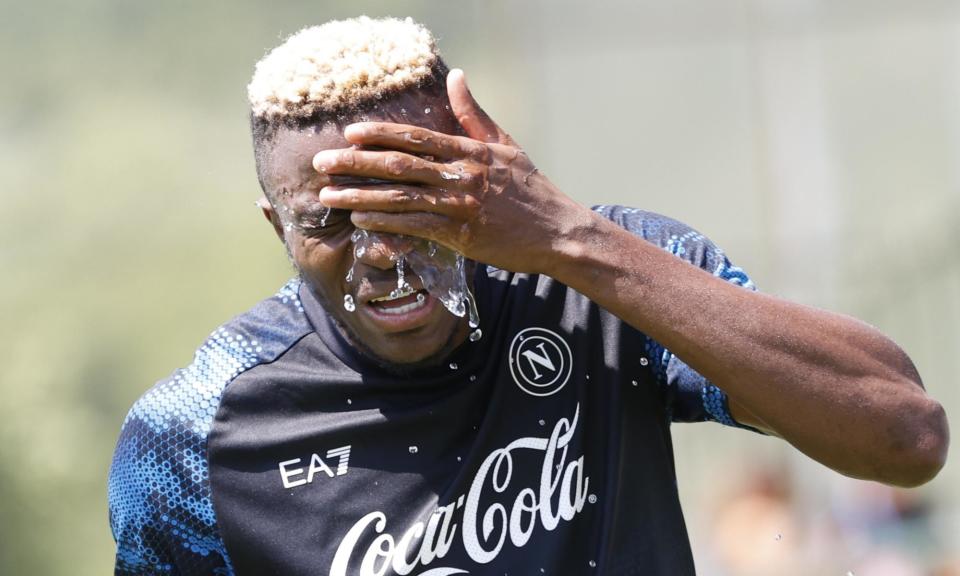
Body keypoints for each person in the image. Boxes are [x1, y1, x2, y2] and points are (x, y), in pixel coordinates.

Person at [107, 16, 949, 576]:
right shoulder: (191, 437)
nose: (383, 254)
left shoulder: (602, 279)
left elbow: (905, 437)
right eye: (331, 223)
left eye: (419, 205)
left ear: (480, 179)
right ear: (276, 228)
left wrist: (568, 238)